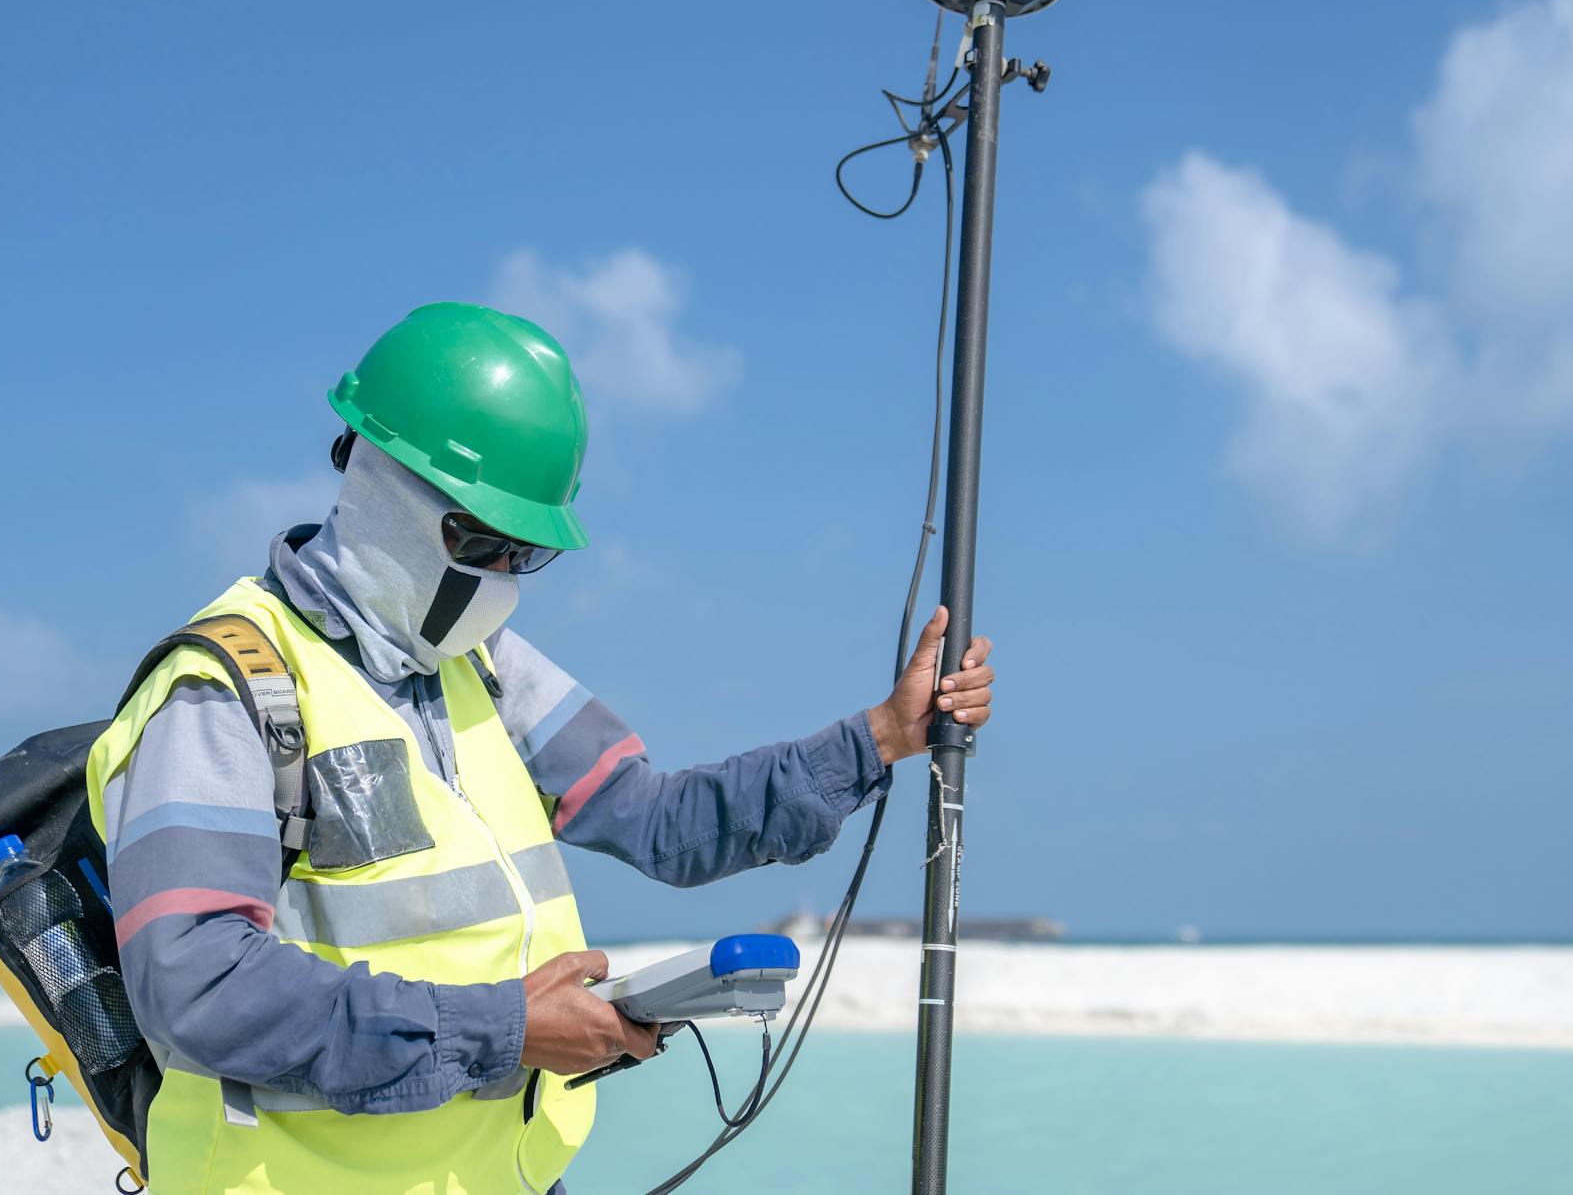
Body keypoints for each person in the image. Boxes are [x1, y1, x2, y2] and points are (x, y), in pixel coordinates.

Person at [85, 303, 998, 1194]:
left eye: (527, 554)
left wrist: (879, 737)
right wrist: (509, 1029)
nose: (503, 582)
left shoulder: (478, 663)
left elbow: (658, 818)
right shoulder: (225, 687)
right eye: (482, 543)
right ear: (378, 490)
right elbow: (196, 985)